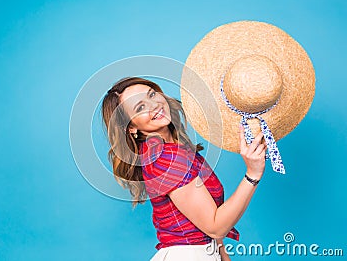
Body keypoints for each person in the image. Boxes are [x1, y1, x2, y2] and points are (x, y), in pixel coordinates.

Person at [101, 77, 267, 261]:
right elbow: (215, 226)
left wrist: (223, 256)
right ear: (131, 127)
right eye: (140, 107)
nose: (154, 104)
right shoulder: (165, 158)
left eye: (152, 94)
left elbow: (213, 230)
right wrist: (253, 173)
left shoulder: (176, 150)